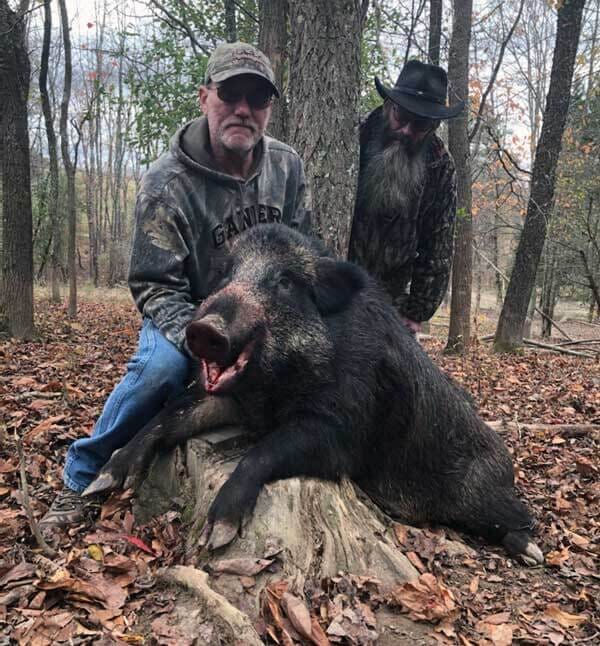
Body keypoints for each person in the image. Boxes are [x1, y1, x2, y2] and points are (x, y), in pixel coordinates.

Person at [41, 42, 311, 528]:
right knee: (161, 371)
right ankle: (81, 477)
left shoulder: (286, 168)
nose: (244, 110)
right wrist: (200, 341)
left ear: (269, 109)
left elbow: (302, 253)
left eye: (258, 99)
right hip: (191, 315)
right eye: (231, 94)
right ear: (205, 96)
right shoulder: (167, 184)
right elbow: (152, 284)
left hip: (265, 320)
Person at [348, 60, 464, 334]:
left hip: (392, 300)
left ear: (434, 125)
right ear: (389, 106)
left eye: (421, 123)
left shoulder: (440, 166)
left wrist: (417, 310)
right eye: (402, 117)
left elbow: (438, 244)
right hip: (338, 285)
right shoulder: (353, 139)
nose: (407, 131)